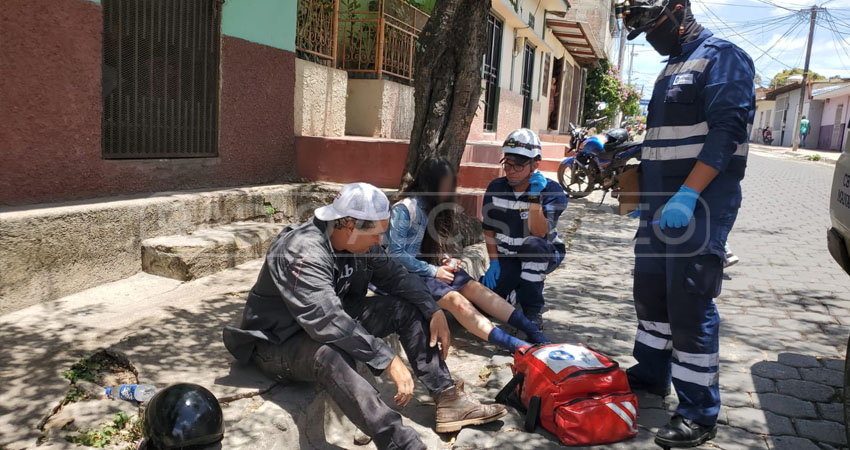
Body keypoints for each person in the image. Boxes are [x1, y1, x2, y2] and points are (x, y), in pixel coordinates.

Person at [222, 183, 506, 449]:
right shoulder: (303, 251)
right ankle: (401, 443)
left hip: (326, 322)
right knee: (330, 354)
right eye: (376, 234)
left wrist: (433, 310)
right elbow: (327, 320)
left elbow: (396, 276)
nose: (380, 240)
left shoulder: (360, 243)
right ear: (348, 225)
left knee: (403, 308)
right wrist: (388, 359)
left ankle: (447, 397)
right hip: (279, 341)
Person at [619, 0, 754, 447]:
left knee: (689, 300)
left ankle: (698, 410)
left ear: (678, 9)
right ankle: (652, 372)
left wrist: (689, 193)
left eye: (653, 24)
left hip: (699, 203)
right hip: (660, 203)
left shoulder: (722, 57)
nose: (650, 36)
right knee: (651, 290)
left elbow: (726, 132)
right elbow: (665, 138)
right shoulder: (668, 68)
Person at [385, 157, 550, 353]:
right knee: (457, 301)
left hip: (426, 268)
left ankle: (535, 333)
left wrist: (444, 259)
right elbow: (395, 255)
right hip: (401, 276)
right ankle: (519, 347)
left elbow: (428, 246)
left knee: (474, 288)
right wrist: (434, 271)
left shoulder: (434, 206)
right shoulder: (404, 210)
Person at [480, 129, 568, 330]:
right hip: (507, 257)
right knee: (484, 303)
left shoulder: (551, 191)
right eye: (507, 164)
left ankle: (532, 310)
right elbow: (489, 229)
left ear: (534, 165)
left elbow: (539, 233)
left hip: (540, 252)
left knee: (533, 246)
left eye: (518, 165)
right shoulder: (496, 188)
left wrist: (534, 198)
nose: (510, 170)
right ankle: (516, 291)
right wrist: (494, 263)